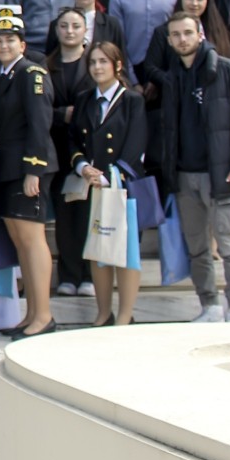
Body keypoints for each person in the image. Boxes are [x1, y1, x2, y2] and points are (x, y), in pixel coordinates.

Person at [147, 14, 230, 323]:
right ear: (169, 41)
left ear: (200, 34)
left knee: (229, 244)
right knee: (196, 246)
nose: (182, 39)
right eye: (176, 35)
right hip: (184, 176)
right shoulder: (172, 77)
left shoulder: (226, 70)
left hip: (221, 174)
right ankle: (209, 305)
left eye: (187, 32)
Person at [70, 41, 149, 327]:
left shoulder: (132, 100)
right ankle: (103, 312)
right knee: (99, 248)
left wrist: (109, 176)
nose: (97, 67)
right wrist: (82, 166)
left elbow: (136, 144)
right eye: (93, 62)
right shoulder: (84, 100)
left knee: (127, 251)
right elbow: (73, 140)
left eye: (103, 61)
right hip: (92, 186)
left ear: (117, 65)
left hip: (122, 186)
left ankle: (125, 314)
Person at [0, 13, 57, 339]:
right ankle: (31, 313)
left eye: (10, 40)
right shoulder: (2, 76)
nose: (4, 45)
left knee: (32, 240)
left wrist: (34, 170)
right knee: (20, 242)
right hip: (8, 168)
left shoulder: (32, 74)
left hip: (27, 168)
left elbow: (40, 124)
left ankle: (43, 315)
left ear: (23, 45)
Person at [44, 7, 98, 299]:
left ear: (85, 30)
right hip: (57, 147)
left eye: (76, 26)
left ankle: (88, 275)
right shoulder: (46, 64)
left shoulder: (95, 62)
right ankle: (68, 274)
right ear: (56, 31)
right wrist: (60, 114)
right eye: (64, 26)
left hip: (89, 149)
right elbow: (39, 107)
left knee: (88, 214)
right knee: (64, 216)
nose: (69, 31)